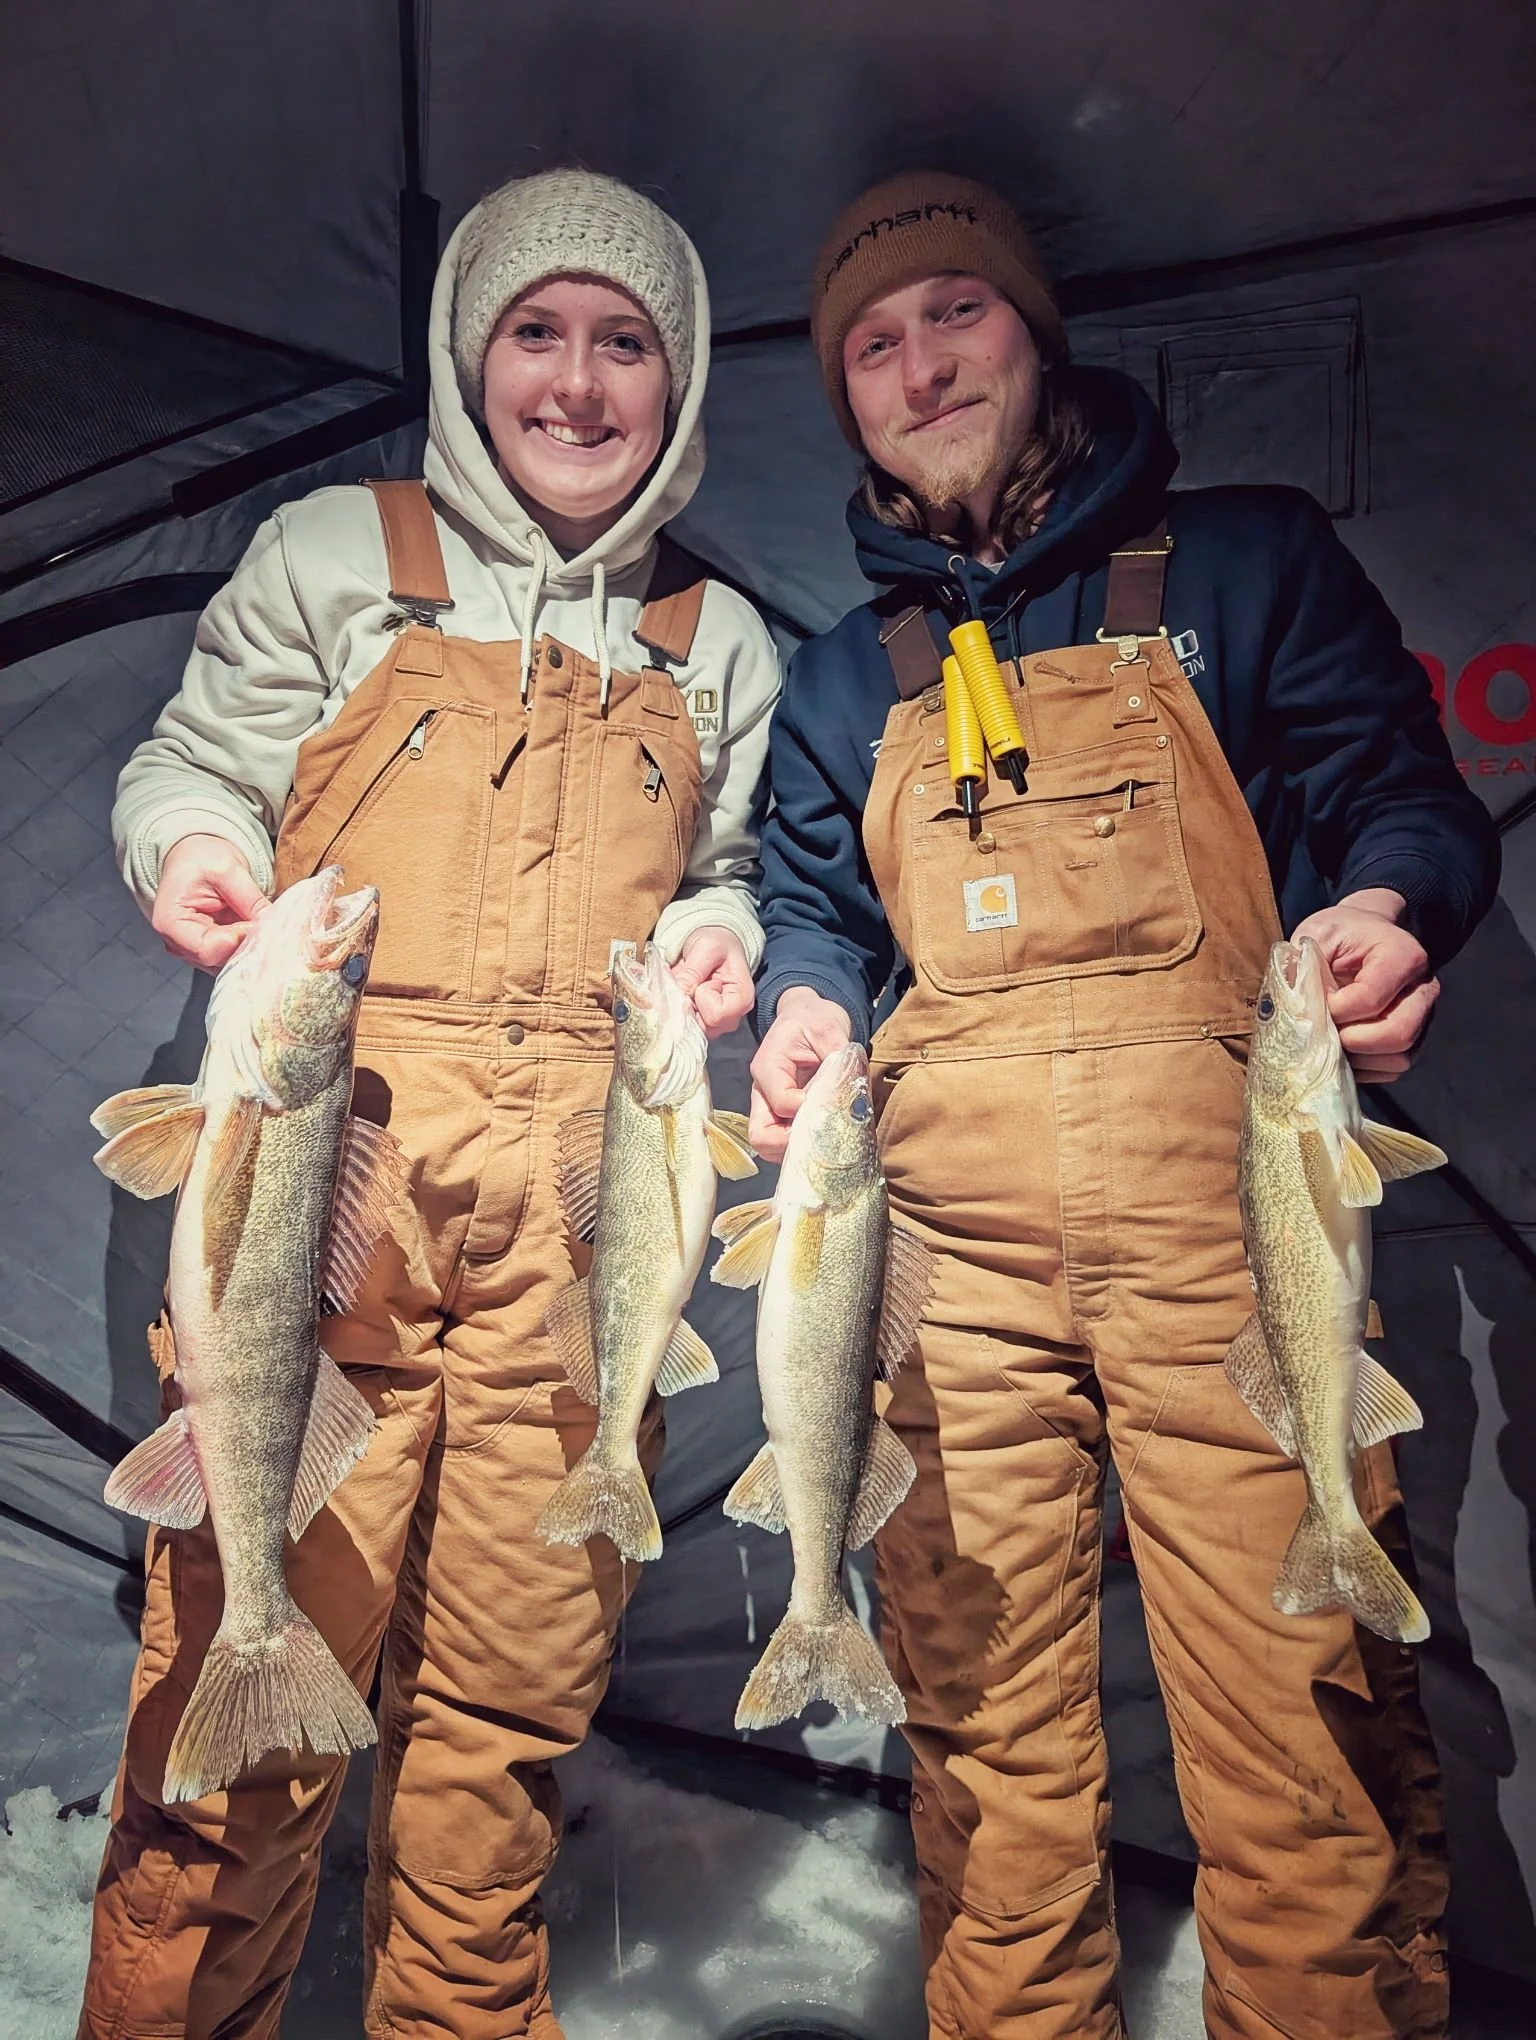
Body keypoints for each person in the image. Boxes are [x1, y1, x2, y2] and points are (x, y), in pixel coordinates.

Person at [750, 171, 1498, 2040]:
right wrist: (805, 1011)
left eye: (957, 314)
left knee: (1300, 1748)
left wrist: (1384, 909)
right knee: (988, 1773)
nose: (923, 366)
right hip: (949, 1281)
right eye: (875, 342)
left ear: (1034, 329)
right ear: (843, 396)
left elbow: (1396, 785)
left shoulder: (1243, 561)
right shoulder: (844, 681)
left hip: (1225, 1248)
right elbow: (813, 914)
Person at [80, 168, 779, 2039]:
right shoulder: (333, 552)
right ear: (473, 359)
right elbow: (189, 760)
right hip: (324, 1245)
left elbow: (723, 867)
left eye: (624, 342)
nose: (575, 382)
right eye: (534, 333)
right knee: (232, 1756)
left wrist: (719, 934)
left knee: (501, 1746)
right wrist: (200, 850)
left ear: (680, 378)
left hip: (565, 1265)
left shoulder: (721, 644)